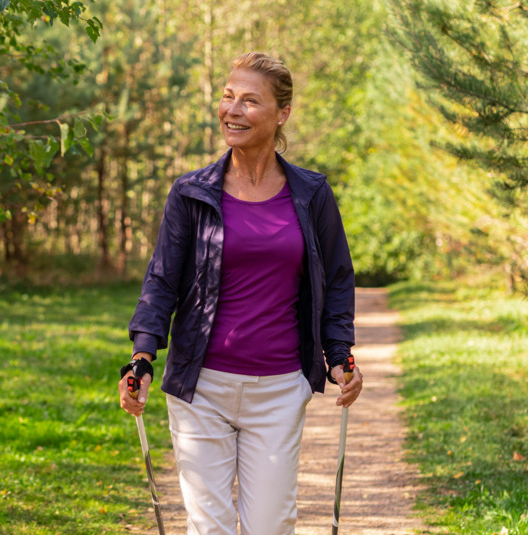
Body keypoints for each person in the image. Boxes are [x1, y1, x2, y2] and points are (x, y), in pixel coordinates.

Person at [118, 52, 363, 535]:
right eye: (228, 97)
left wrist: (339, 355)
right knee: (208, 527)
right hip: (200, 387)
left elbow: (336, 281)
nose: (233, 110)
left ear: (282, 113)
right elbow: (162, 280)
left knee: (270, 527)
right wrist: (142, 357)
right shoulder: (192, 192)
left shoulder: (312, 195)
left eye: (250, 101)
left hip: (278, 389)